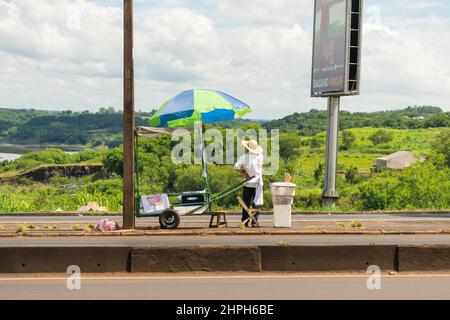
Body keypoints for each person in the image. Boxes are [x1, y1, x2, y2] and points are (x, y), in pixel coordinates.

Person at [234, 139, 264, 227]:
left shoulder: (244, 157)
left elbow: (236, 166)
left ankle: (245, 221)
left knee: (246, 203)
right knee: (256, 203)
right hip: (258, 183)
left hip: (248, 183)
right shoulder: (260, 156)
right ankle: (254, 221)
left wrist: (244, 172)